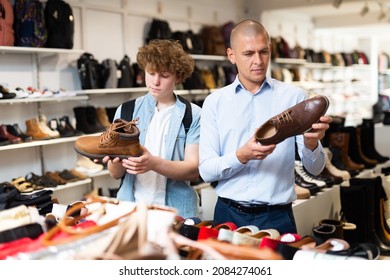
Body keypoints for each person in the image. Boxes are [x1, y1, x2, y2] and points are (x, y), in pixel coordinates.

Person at [198, 19, 332, 234]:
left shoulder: (294, 97)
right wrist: (242, 155)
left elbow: (314, 169)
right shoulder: (215, 102)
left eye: (264, 52)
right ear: (231, 55)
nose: (258, 61)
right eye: (248, 54)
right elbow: (206, 171)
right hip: (228, 214)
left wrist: (311, 143)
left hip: (277, 216)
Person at [101, 39, 201, 218]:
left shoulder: (193, 114)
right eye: (151, 72)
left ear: (178, 77)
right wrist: (114, 158)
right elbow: (115, 174)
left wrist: (153, 163)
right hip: (132, 209)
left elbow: (193, 171)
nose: (155, 81)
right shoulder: (126, 111)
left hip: (177, 212)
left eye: (164, 75)